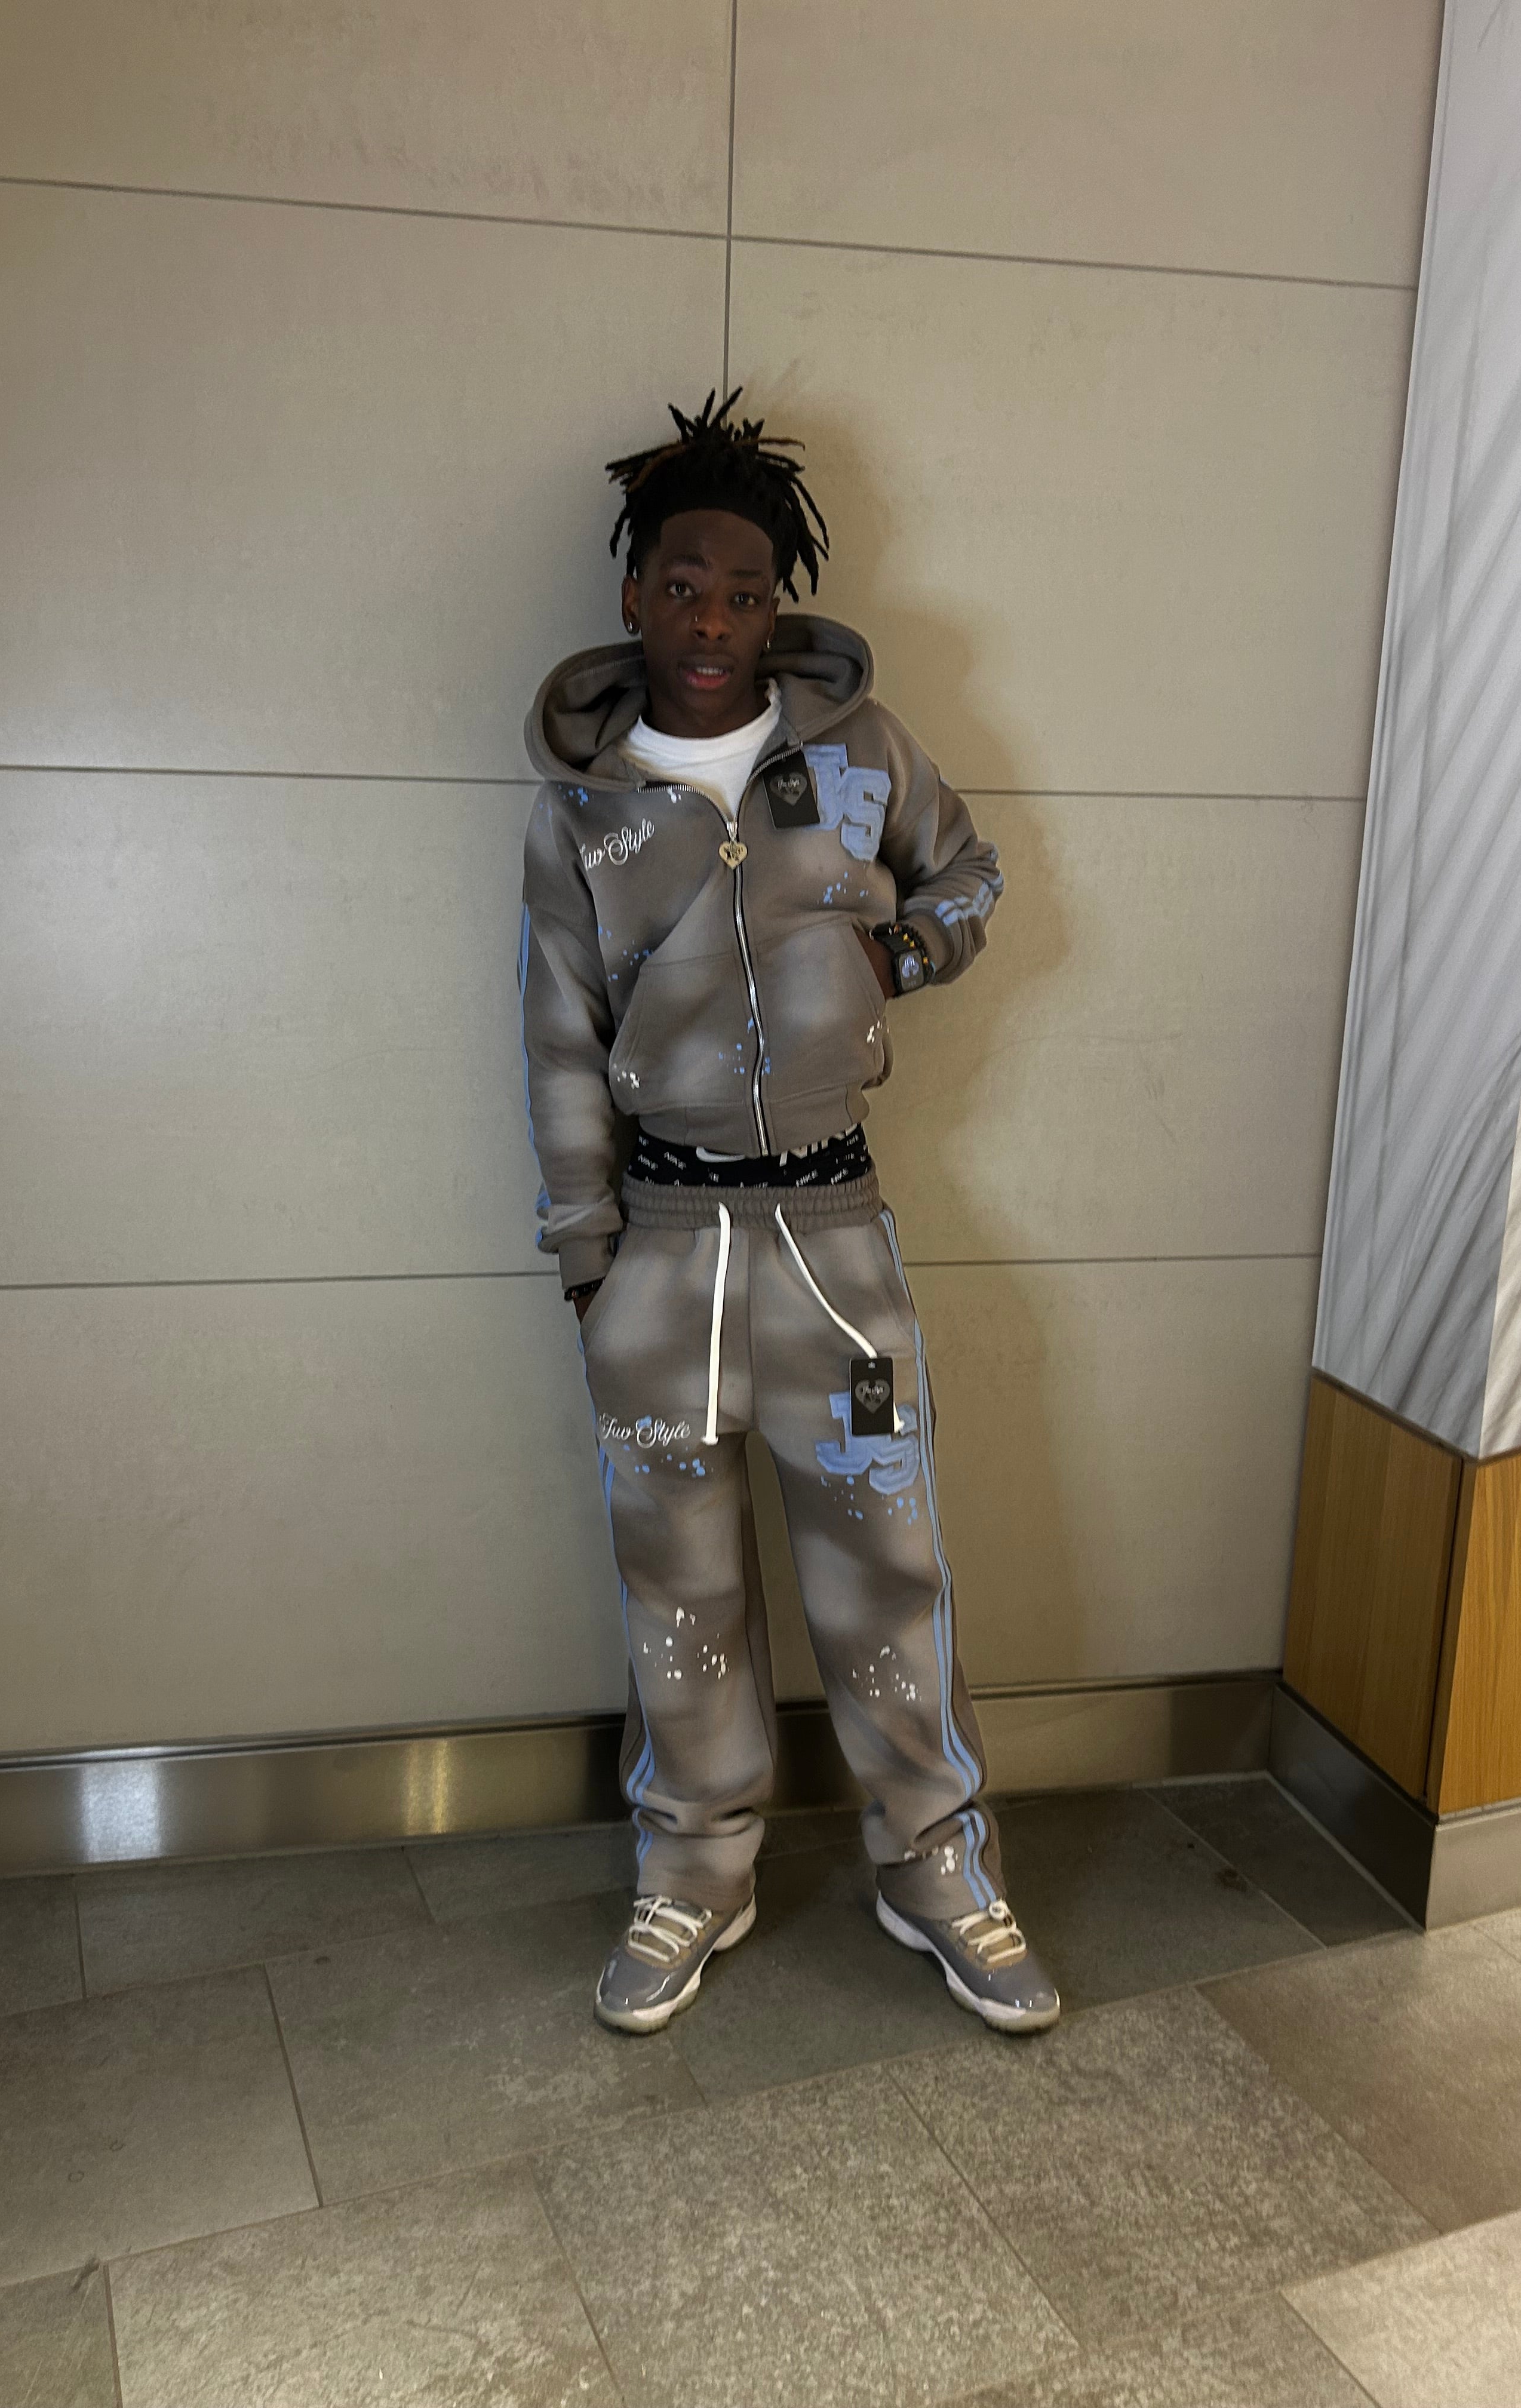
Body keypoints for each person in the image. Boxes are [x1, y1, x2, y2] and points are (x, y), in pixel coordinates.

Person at [519, 392, 1058, 2037]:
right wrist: (586, 1254)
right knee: (678, 1592)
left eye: (744, 594)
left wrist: (898, 951)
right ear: (636, 594)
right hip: (661, 1261)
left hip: (837, 1252)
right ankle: (695, 1870)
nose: (711, 621)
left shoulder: (862, 755)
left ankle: (936, 1867)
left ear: (778, 608)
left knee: (889, 1570)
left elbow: (971, 876)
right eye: (683, 587)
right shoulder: (586, 806)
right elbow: (556, 1037)